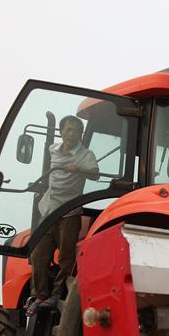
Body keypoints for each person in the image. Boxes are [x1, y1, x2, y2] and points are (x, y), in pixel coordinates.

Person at [27, 115, 99, 315]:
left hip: (69, 212)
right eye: (68, 129)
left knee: (66, 259)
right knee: (38, 255)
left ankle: (56, 295)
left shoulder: (85, 154)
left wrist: (78, 169)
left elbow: (95, 173)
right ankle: (40, 296)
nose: (72, 134)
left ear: (80, 135)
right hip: (48, 210)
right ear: (61, 132)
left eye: (76, 131)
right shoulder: (52, 149)